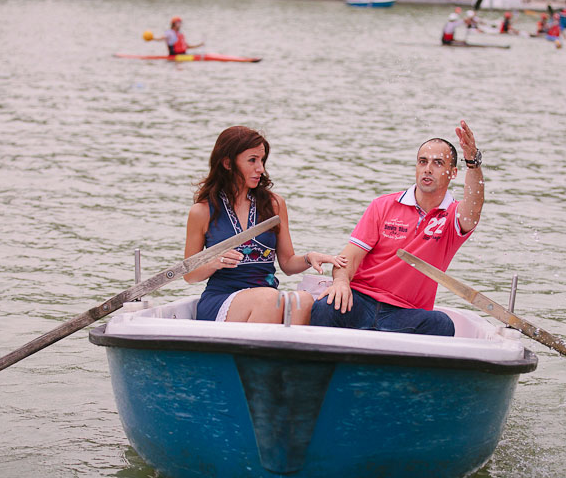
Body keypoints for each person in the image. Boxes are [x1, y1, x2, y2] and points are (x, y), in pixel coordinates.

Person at [310, 121, 485, 336]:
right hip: (361, 302)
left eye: (438, 163)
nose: (428, 169)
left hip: (406, 313)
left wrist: (473, 163)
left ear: (453, 173)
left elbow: (474, 210)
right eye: (423, 161)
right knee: (325, 306)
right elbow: (348, 259)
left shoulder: (453, 217)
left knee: (442, 324)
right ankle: (321, 368)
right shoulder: (383, 205)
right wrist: (340, 282)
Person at [184, 126, 345, 323]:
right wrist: (215, 262)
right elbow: (189, 275)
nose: (260, 168)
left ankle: (281, 354)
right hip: (222, 300)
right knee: (269, 297)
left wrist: (308, 258)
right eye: (252, 160)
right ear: (227, 163)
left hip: (267, 299)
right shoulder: (201, 211)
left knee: (302, 299)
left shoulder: (274, 204)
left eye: (262, 160)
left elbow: (287, 263)